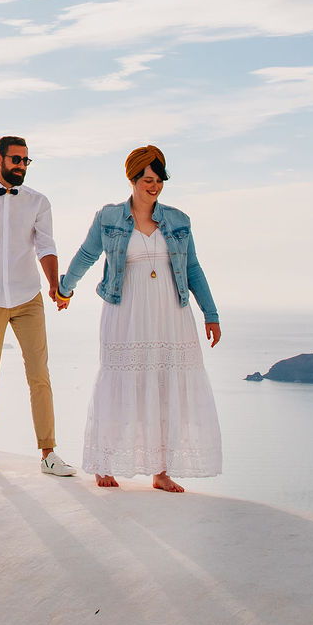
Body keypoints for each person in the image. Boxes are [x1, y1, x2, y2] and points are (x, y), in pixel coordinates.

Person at [57, 144, 222, 491]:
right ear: (132, 179)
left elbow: (192, 268)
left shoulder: (178, 220)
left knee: (164, 388)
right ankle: (105, 464)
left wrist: (211, 313)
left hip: (170, 314)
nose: (154, 185)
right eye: (147, 179)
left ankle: (161, 472)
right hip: (125, 311)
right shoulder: (109, 217)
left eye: (159, 179)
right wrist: (65, 289)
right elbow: (87, 254)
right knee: (120, 384)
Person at [0, 136, 76, 477]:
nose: (22, 166)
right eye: (16, 160)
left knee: (40, 376)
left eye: (26, 161)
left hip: (28, 300)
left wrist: (55, 285)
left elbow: (46, 246)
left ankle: (49, 453)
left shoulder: (38, 202)